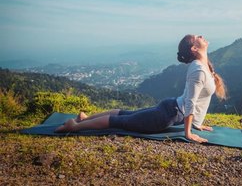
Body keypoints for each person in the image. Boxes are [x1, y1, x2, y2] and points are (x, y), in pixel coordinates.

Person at [55, 34, 227, 143]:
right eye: (197, 37)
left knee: (124, 114)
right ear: (194, 48)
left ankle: (84, 118)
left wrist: (198, 123)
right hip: (168, 114)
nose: (201, 36)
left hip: (171, 108)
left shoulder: (203, 65)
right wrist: (188, 133)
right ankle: (74, 126)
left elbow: (199, 101)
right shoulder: (198, 69)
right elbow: (190, 102)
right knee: (120, 121)